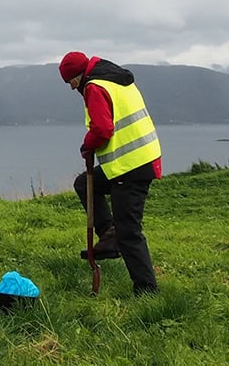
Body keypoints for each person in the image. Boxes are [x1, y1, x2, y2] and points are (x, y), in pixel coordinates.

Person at [59, 51, 161, 296]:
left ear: (79, 76)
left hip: (131, 166)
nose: (73, 88)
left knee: (130, 231)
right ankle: (108, 234)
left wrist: (87, 145)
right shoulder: (117, 80)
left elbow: (103, 129)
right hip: (134, 161)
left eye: (71, 82)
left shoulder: (95, 87)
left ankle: (147, 291)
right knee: (85, 184)